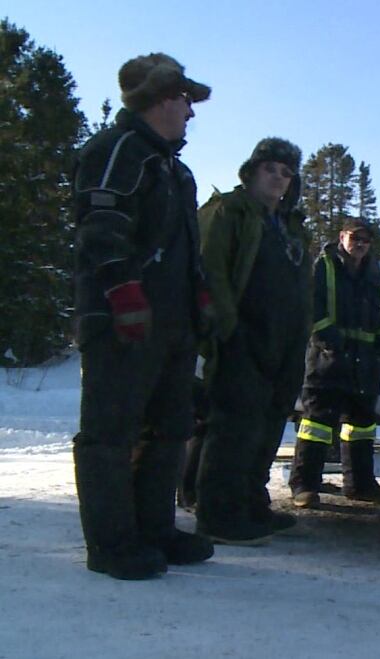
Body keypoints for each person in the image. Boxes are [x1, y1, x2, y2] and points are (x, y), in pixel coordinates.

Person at [71, 53, 215, 579]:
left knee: (170, 427)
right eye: (184, 100)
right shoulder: (117, 151)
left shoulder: (176, 170)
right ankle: (111, 545)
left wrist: (200, 298)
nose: (190, 113)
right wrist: (125, 295)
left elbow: (187, 250)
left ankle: (153, 529)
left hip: (170, 327)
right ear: (159, 99)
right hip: (121, 322)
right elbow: (100, 227)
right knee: (110, 432)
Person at [188, 138, 311, 545]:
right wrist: (226, 327)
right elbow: (210, 269)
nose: (278, 178)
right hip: (241, 334)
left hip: (284, 341)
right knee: (233, 426)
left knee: (269, 424)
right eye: (270, 169)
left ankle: (250, 502)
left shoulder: (291, 227)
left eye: (286, 172)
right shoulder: (229, 212)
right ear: (252, 171)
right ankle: (218, 515)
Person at [288, 219, 380, 508]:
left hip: (365, 364)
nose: (360, 244)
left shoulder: (377, 277)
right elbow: (313, 307)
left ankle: (360, 484)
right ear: (342, 237)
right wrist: (330, 342)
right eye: (355, 237)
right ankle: (304, 486)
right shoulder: (323, 267)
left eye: (366, 240)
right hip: (328, 362)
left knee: (361, 426)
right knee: (316, 424)